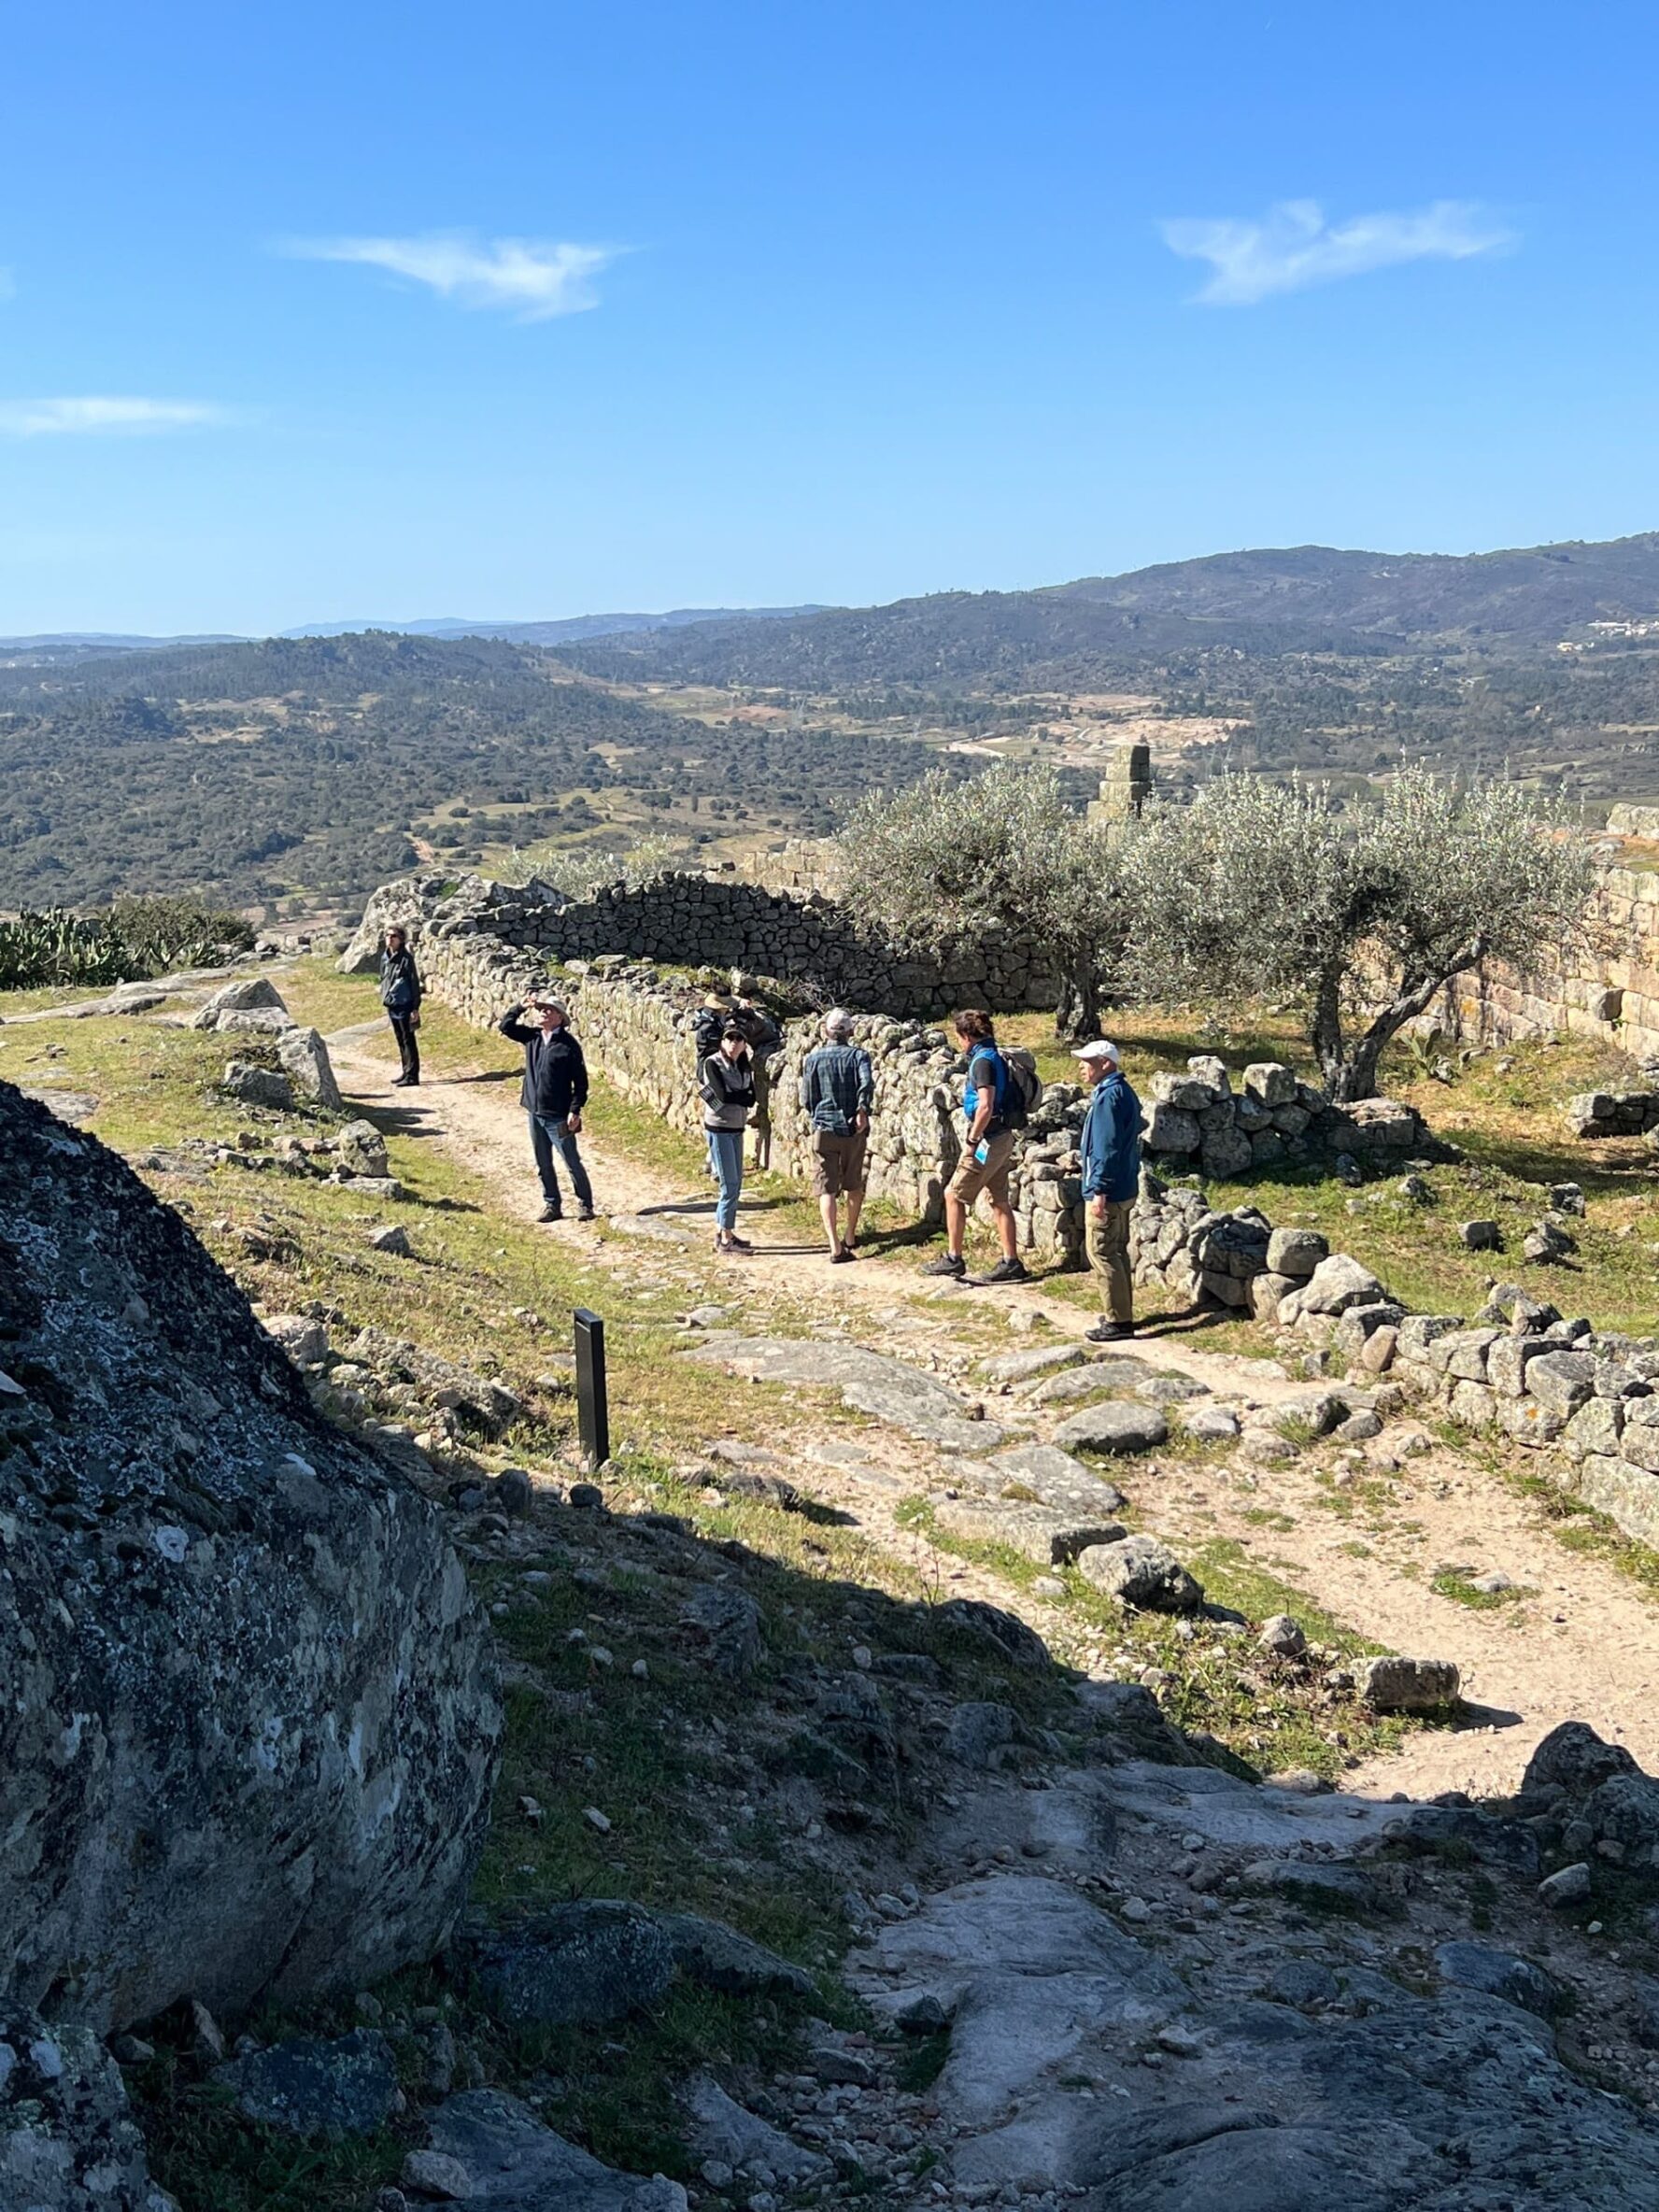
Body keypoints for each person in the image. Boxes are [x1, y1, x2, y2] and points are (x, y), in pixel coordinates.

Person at [922, 1010, 1028, 1286]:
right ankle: (1011, 1262)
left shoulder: (982, 1062)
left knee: (953, 1195)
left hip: (988, 1140)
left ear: (967, 1036)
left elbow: (985, 1105)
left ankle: (953, 1258)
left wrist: (971, 1140)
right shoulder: (996, 1056)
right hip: (1003, 1137)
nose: (960, 1043)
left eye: (959, 1037)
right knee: (999, 1199)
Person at [499, 994, 596, 1224]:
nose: (543, 1012)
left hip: (559, 1117)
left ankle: (585, 1204)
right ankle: (552, 1204)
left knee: (571, 1161)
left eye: (549, 1010)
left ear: (560, 1018)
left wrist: (575, 1110)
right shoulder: (532, 1037)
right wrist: (521, 1007)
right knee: (543, 1163)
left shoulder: (568, 1046)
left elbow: (581, 1083)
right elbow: (505, 1026)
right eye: (541, 1009)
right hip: (535, 1113)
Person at [1075, 1039, 1142, 1341]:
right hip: (1125, 1185)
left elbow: (1105, 1147)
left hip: (1108, 1191)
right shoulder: (1123, 1092)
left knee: (1102, 1252)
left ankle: (1118, 1322)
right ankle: (1121, 1312)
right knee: (1117, 1251)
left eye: (1088, 1062)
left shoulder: (1107, 1098)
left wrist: (1099, 1190)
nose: (1082, 1067)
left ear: (1105, 1063)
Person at [800, 1008, 875, 1262]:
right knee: (853, 1183)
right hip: (853, 1128)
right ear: (850, 1031)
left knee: (827, 1187)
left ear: (826, 1031)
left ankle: (834, 1245)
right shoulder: (859, 1057)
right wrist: (862, 1110)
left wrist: (817, 1115)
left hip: (824, 1128)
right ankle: (851, 1234)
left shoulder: (813, 1059)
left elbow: (806, 1098)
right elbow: (866, 1085)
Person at [700, 1020, 757, 1255]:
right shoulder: (712, 1063)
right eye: (729, 1039)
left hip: (736, 1127)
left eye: (738, 1039)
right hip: (719, 1128)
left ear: (744, 1044)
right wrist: (739, 1096)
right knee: (729, 1184)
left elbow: (751, 1098)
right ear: (722, 1042)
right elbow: (720, 1096)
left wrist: (738, 1095)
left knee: (736, 1182)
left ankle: (726, 1231)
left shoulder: (744, 1066)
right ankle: (725, 1239)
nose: (734, 1044)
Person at [379, 926, 422, 1087]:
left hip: (405, 1004)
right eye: (388, 935)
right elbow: (384, 978)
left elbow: (413, 983)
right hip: (392, 1003)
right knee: (400, 1040)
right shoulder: (385, 957)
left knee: (408, 1039)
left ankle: (412, 1075)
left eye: (394, 936)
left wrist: (415, 1008)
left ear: (401, 939)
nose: (390, 938)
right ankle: (405, 1071)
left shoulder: (406, 959)